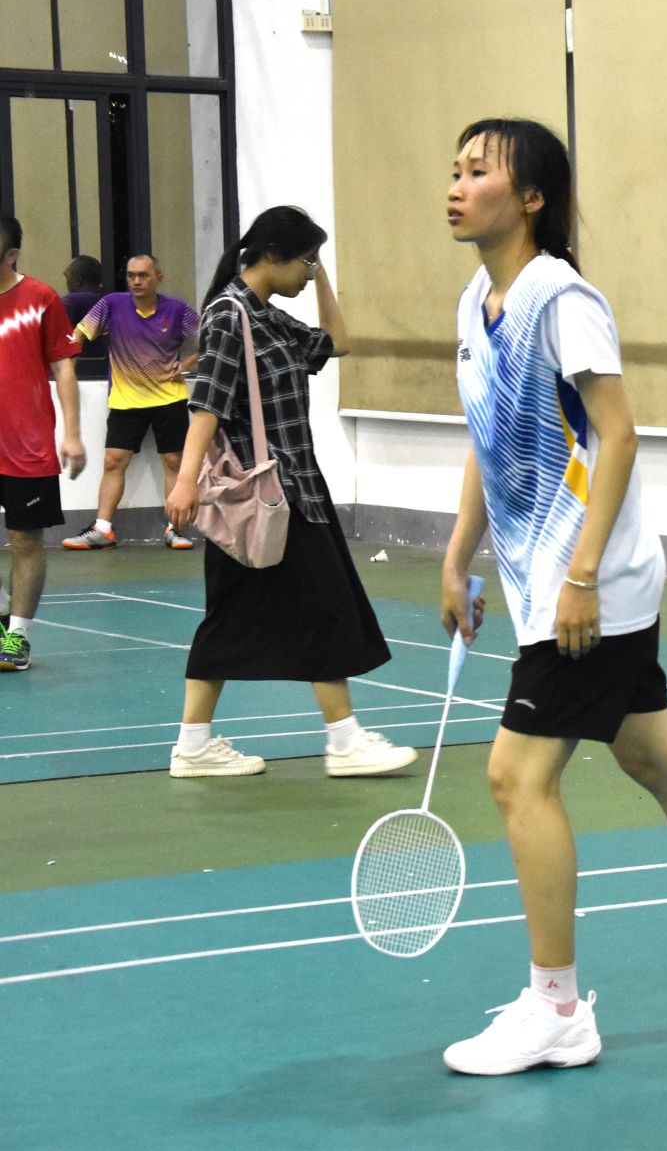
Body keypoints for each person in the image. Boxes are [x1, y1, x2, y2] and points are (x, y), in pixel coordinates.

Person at [435, 119, 667, 1077]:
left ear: (531, 197)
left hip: (589, 582)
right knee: (654, 754)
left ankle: (557, 1008)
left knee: (517, 777)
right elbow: (488, 436)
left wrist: (579, 575)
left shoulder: (563, 300)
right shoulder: (476, 303)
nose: (457, 185)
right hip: (544, 576)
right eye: (455, 169)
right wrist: (455, 555)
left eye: (479, 171)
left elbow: (619, 432)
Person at [163, 207, 417, 779]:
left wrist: (321, 273)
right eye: (305, 260)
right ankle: (345, 742)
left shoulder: (269, 318)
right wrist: (185, 482)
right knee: (320, 608)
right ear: (272, 256)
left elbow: (337, 342)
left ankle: (193, 746)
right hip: (266, 497)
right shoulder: (228, 315)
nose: (308, 271)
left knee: (229, 619)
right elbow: (207, 403)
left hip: (297, 488)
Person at [63, 253, 202, 550]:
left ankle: (175, 529)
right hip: (126, 400)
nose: (136, 281)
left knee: (174, 461)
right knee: (113, 461)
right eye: (131, 275)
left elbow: (212, 337)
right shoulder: (111, 304)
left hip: (169, 398)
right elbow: (79, 333)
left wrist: (187, 364)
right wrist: (67, 368)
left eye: (143, 275)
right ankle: (103, 530)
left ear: (158, 278)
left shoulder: (177, 310)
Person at [0, 217, 88, 672]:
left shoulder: (41, 299)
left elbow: (64, 368)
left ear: (12, 253)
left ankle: (17, 638)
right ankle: (3, 614)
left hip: (26, 444)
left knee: (25, 539)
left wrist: (71, 434)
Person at [61, 255, 109, 378]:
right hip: (107, 372)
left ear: (78, 280)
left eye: (67, 277)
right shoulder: (110, 300)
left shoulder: (70, 302)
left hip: (77, 373)